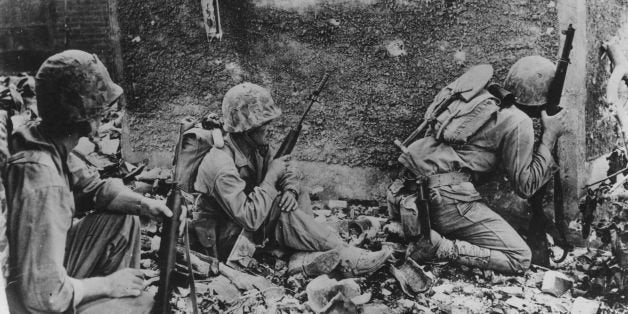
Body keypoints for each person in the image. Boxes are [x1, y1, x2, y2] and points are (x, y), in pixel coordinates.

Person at [4, 50, 177, 313]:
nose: (104, 120)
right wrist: (107, 285)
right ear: (83, 118)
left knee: (124, 218)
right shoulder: (44, 181)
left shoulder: (43, 139)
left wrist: (146, 206)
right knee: (139, 306)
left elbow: (94, 190)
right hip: (29, 299)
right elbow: (43, 296)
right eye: (101, 112)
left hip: (32, 276)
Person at [387, 56, 568, 275]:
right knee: (520, 258)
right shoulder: (519, 121)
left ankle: (403, 231)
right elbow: (525, 186)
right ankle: (439, 248)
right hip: (445, 200)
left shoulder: (478, 98)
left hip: (407, 190)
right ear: (543, 99)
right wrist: (549, 135)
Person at [192, 82, 390, 278]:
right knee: (282, 210)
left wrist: (291, 188)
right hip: (225, 240)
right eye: (263, 124)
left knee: (295, 194)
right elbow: (250, 219)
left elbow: (287, 168)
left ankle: (303, 254)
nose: (270, 128)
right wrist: (271, 177)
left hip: (244, 226)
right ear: (246, 130)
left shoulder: (254, 147)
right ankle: (348, 257)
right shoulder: (220, 164)